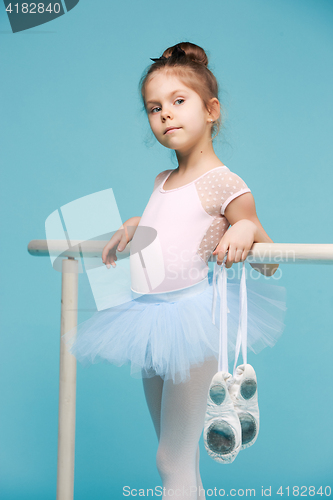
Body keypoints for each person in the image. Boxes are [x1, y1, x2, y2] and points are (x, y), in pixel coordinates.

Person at [62, 42, 287, 499]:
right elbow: (166, 225)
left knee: (171, 458)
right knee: (180, 460)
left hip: (192, 322)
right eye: (154, 107)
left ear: (212, 110)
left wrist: (244, 227)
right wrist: (134, 224)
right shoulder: (160, 181)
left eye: (178, 102)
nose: (165, 114)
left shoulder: (224, 181)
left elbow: (268, 259)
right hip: (148, 319)